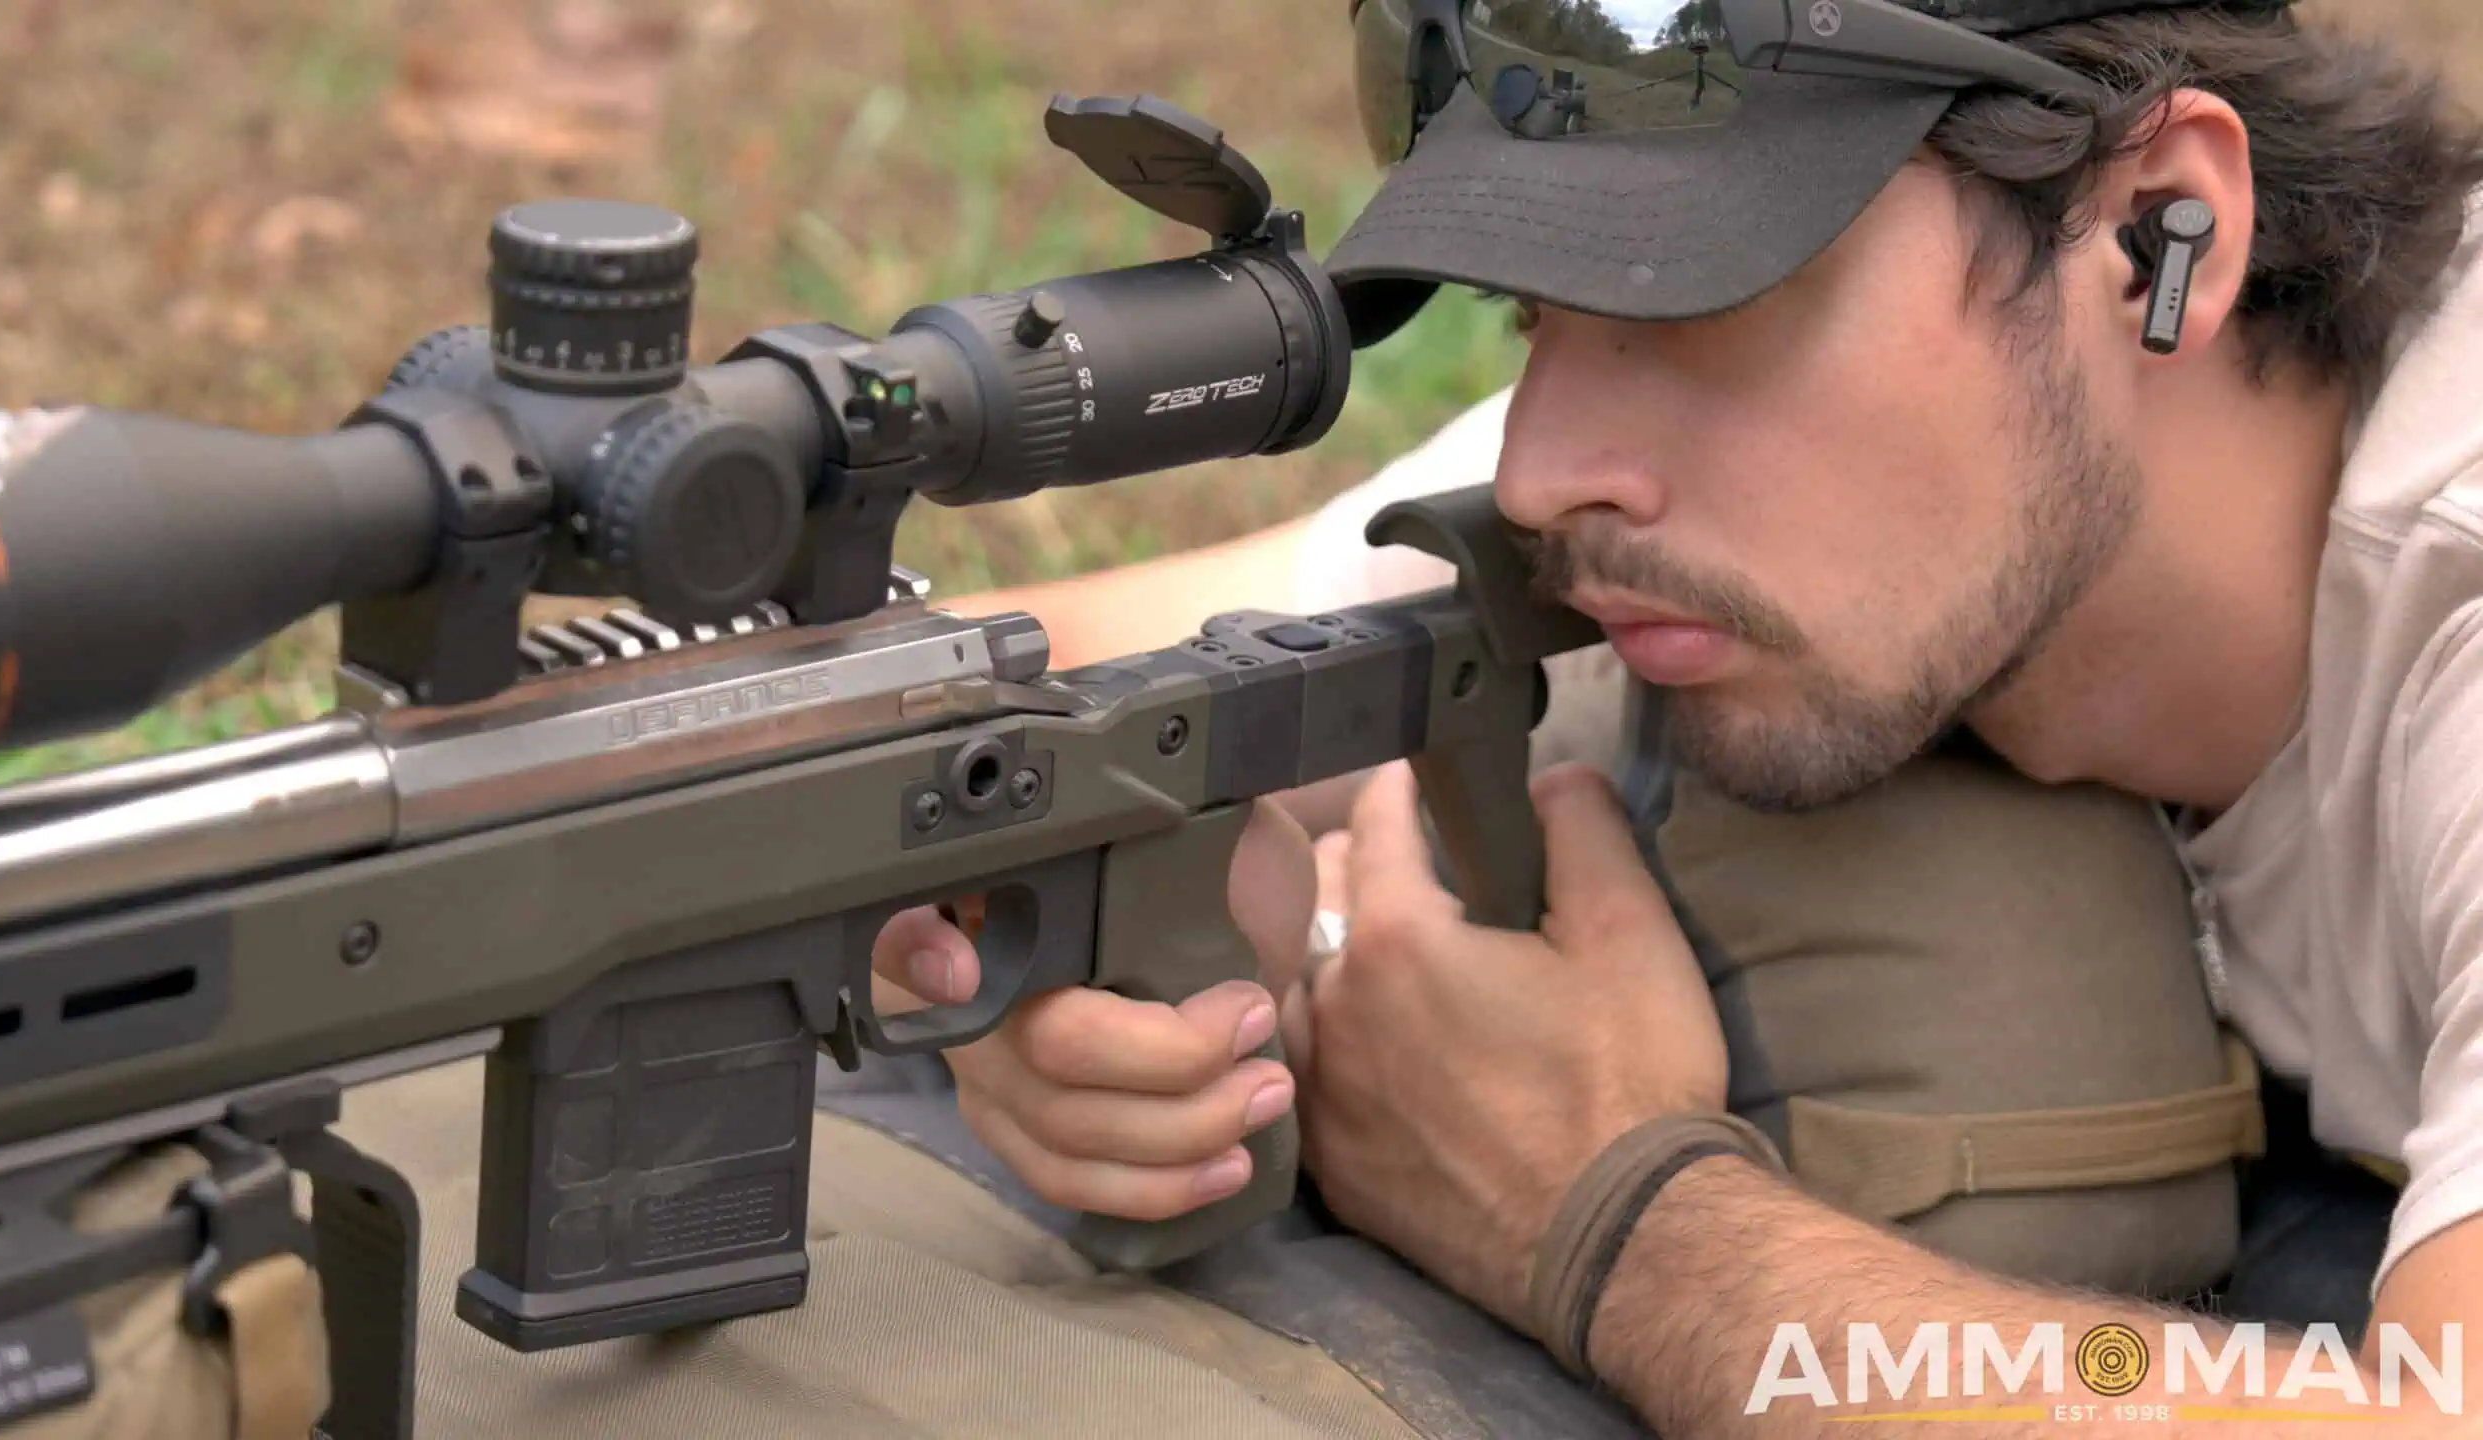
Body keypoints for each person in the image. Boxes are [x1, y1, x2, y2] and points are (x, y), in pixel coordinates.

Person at [862, 0, 2483, 1432]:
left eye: (1699, 307)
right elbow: (1021, 687)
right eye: (1537, 315)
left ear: (2157, 232)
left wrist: (1608, 1218)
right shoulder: (1793, 476)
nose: (1541, 472)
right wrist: (1028, 915)